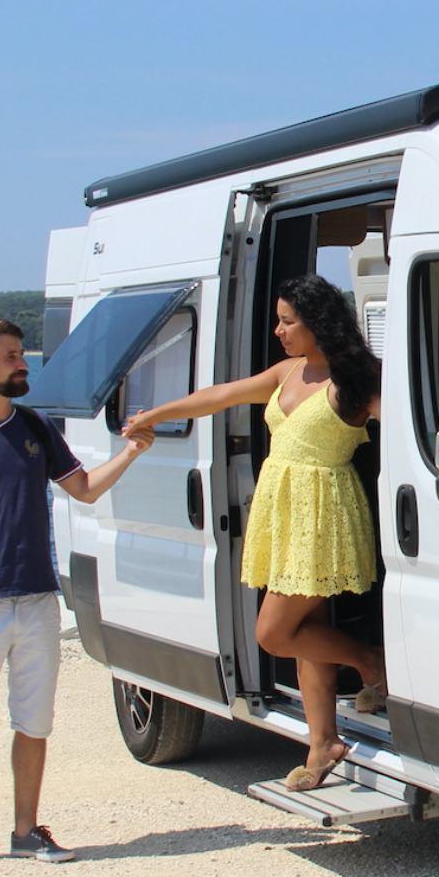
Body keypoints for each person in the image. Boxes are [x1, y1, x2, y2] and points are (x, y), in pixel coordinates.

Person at [0, 319, 153, 871]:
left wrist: (131, 452)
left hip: (38, 601)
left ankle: (26, 831)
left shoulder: (36, 428)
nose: (23, 364)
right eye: (12, 356)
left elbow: (82, 489)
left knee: (33, 723)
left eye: (20, 354)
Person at [122, 274, 385, 793]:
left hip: (322, 514)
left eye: (288, 321)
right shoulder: (288, 371)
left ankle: (370, 663)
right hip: (283, 513)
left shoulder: (356, 382)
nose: (278, 330)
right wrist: (154, 414)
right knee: (306, 638)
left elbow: (411, 423)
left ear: (318, 324)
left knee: (274, 632)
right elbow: (219, 396)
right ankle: (322, 744)